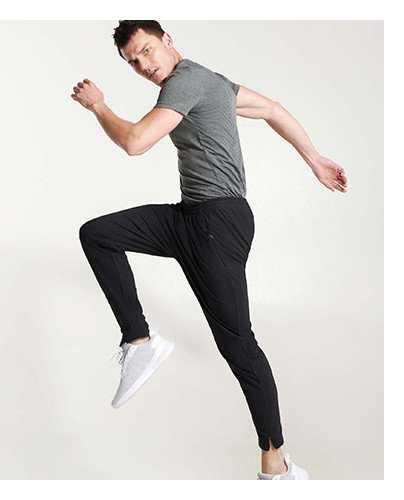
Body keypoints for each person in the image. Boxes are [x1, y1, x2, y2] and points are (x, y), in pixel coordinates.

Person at [72, 20, 347, 480]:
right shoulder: (214, 82)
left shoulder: (186, 81)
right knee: (98, 234)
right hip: (191, 217)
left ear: (168, 40)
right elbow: (273, 109)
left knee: (238, 344)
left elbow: (136, 142)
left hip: (217, 222)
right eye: (133, 62)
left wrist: (99, 105)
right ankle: (139, 341)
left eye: (146, 50)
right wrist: (314, 158)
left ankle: (276, 462)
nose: (143, 65)